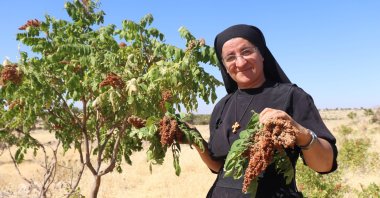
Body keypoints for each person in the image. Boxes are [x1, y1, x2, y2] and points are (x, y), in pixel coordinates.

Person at [192, 24, 338, 197]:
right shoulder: (222, 106)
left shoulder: (292, 96)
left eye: (246, 51)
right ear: (224, 66)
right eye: (230, 57)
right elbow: (220, 168)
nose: (240, 62)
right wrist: (195, 141)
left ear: (262, 54)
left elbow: (325, 165)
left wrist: (299, 132)